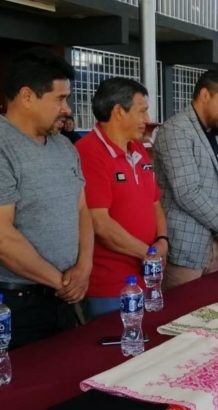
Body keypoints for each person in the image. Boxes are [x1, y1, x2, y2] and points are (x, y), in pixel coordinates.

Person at [0, 47, 94, 349]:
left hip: (61, 295)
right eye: (60, 98)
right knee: (27, 390)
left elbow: (81, 209)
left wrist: (83, 267)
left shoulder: (63, 146)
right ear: (27, 96)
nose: (67, 108)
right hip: (10, 304)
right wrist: (62, 283)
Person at [76, 78, 167, 318]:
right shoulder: (89, 152)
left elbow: (154, 202)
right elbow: (100, 224)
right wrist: (149, 253)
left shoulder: (137, 149)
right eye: (142, 111)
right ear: (118, 111)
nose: (147, 120)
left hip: (148, 275)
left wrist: (162, 239)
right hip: (110, 286)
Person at [153, 70, 218, 288]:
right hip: (186, 247)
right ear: (204, 95)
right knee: (182, 315)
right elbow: (187, 191)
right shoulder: (176, 130)